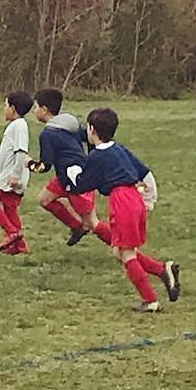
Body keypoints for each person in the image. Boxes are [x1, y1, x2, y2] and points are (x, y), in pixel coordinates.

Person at [61, 107, 180, 312]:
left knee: (126, 254)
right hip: (135, 197)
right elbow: (145, 172)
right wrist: (149, 200)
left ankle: (150, 300)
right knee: (120, 251)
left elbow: (82, 185)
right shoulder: (119, 149)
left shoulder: (97, 156)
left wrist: (72, 171)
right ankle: (162, 270)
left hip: (122, 201)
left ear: (91, 129)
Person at [30, 88, 105, 245]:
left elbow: (45, 166)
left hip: (77, 181)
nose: (34, 111)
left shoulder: (48, 134)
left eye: (36, 107)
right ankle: (77, 227)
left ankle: (125, 249)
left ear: (44, 110)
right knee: (45, 199)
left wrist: (28, 163)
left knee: (92, 222)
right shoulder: (69, 124)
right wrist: (90, 158)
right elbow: (92, 138)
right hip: (65, 177)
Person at [0, 90, 33, 255]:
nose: (3, 109)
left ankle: (12, 233)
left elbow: (20, 152)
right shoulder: (17, 126)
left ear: (13, 108)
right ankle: (21, 246)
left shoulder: (19, 126)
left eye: (5, 105)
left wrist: (15, 176)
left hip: (11, 175)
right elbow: (10, 153)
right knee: (10, 208)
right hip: (12, 173)